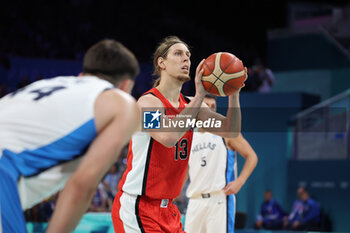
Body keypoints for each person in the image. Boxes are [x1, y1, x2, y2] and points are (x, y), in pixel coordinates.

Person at [0, 39, 140, 233]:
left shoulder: (48, 85)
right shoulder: (123, 102)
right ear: (126, 85)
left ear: (82, 75)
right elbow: (81, 186)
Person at [112, 36, 246, 232]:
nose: (186, 59)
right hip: (138, 208)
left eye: (189, 55)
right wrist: (199, 95)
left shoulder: (192, 107)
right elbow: (168, 137)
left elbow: (230, 129)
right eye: (178, 53)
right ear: (161, 62)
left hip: (169, 211)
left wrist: (234, 93)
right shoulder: (147, 103)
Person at [184, 94, 258, 233]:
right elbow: (187, 172)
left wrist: (240, 181)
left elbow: (252, 156)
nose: (210, 109)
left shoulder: (227, 133)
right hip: (194, 201)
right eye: (207, 106)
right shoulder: (189, 136)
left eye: (213, 106)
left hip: (218, 200)